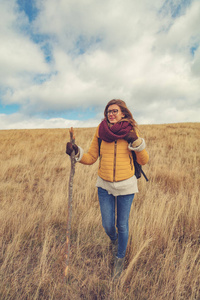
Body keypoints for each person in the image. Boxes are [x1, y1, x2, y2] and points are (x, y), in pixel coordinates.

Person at [66, 99, 149, 279]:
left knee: (122, 225)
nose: (111, 114)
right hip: (104, 185)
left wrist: (136, 142)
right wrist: (76, 152)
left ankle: (119, 259)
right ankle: (115, 241)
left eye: (115, 111)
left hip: (126, 185)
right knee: (108, 225)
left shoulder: (131, 131)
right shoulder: (101, 131)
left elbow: (143, 161)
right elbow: (91, 157)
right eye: (108, 111)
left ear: (123, 114)